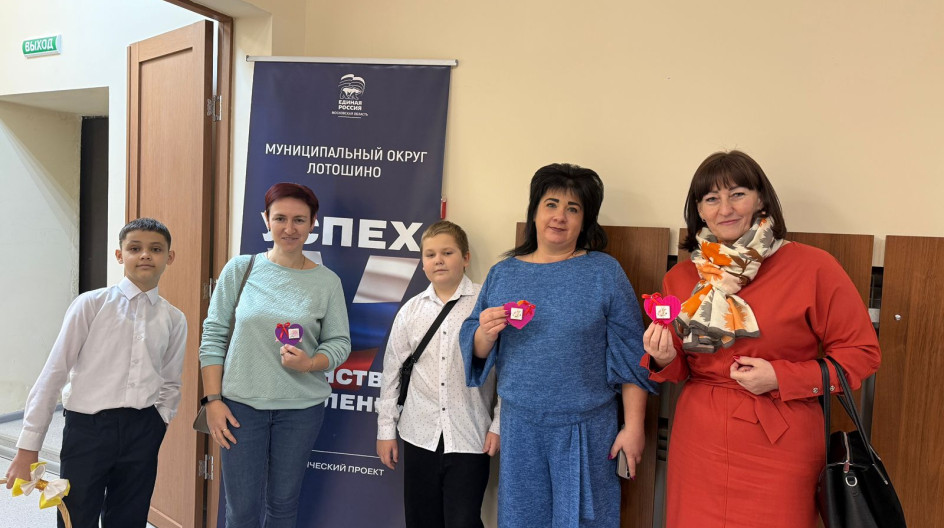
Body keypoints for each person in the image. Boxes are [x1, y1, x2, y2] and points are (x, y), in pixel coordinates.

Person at [642, 150, 881, 528]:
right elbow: (681, 368)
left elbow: (862, 354)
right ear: (699, 211)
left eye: (737, 194)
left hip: (781, 442)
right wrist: (664, 357)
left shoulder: (813, 266)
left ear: (761, 200)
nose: (725, 209)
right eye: (711, 199)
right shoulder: (682, 277)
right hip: (699, 441)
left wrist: (781, 377)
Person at [460, 163, 656, 528]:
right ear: (534, 211)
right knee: (520, 520)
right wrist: (484, 333)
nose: (560, 216)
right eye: (551, 204)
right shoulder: (503, 273)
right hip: (520, 426)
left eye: (573, 208)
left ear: (585, 221)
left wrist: (634, 428)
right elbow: (476, 349)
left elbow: (632, 355)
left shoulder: (604, 272)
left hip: (587, 428)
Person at [4, 218, 187, 528]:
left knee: (130, 515)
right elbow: (54, 373)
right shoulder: (90, 305)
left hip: (143, 429)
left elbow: (170, 380)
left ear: (169, 257)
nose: (145, 255)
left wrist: (160, 421)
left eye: (155, 249)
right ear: (119, 255)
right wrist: (27, 447)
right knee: (76, 513)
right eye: (135, 248)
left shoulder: (174, 319)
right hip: (88, 430)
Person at [199, 182, 351, 528]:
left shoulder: (327, 282)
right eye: (280, 218)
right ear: (265, 220)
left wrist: (310, 363)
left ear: (313, 223)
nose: (289, 228)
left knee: (283, 505)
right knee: (241, 510)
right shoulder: (240, 269)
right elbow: (213, 336)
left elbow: (339, 342)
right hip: (240, 409)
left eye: (299, 220)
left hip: (300, 410)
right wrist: (213, 400)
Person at [376, 220, 501, 528]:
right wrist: (385, 431)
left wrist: (499, 424)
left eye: (447, 252)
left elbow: (507, 371)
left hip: (470, 436)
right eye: (430, 255)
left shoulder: (486, 306)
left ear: (466, 258)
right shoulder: (411, 311)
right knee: (421, 520)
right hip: (419, 435)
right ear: (422, 263)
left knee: (464, 521)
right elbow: (392, 373)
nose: (439, 260)